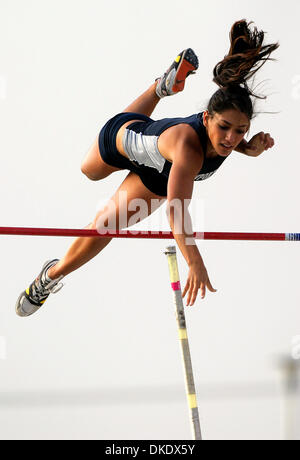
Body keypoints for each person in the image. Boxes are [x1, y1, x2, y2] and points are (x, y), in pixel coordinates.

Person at [16, 19, 279, 317]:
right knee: (90, 171)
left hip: (157, 176)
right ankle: (159, 88)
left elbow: (227, 140)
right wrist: (194, 261)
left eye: (241, 131)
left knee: (105, 226)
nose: (231, 138)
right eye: (225, 127)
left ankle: (48, 278)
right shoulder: (188, 149)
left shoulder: (229, 138)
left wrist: (250, 148)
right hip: (125, 140)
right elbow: (177, 210)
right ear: (206, 118)